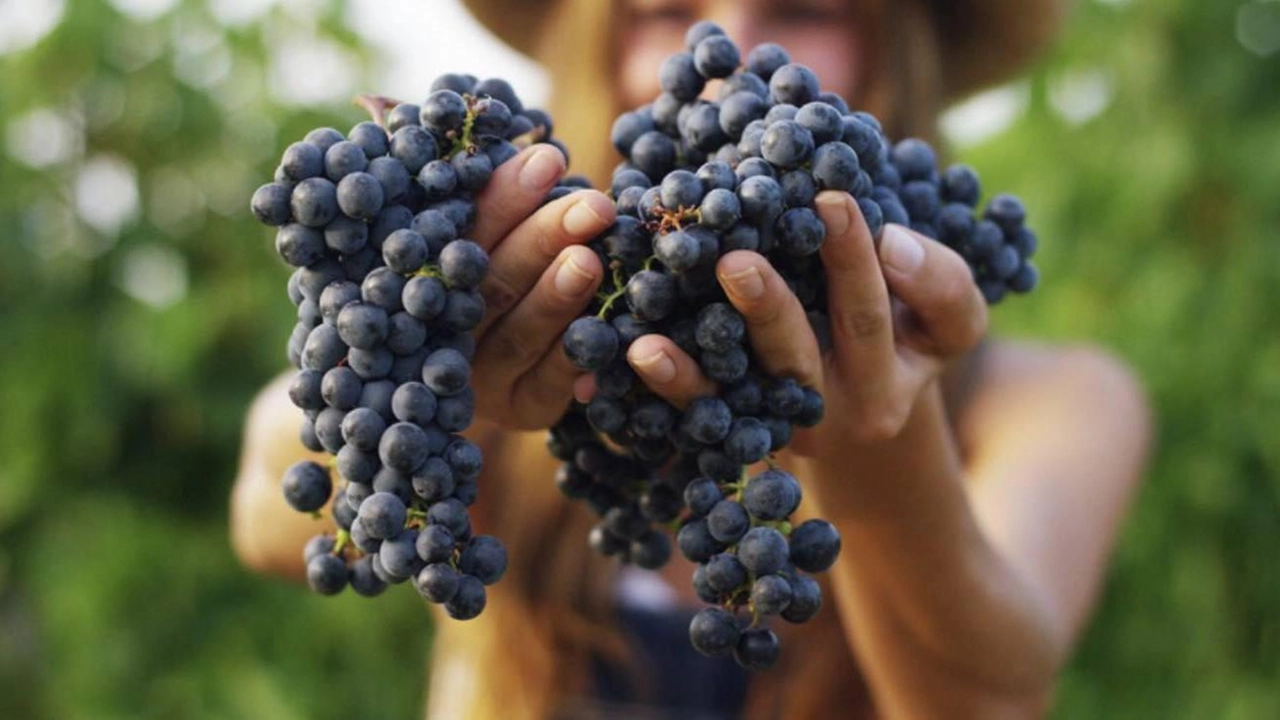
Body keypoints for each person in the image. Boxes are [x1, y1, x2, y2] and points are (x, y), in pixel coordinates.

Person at [231, 0, 1152, 717]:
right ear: (595, 36)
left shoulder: (1055, 399)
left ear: (895, 44)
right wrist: (455, 381)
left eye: (805, 9)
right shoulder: (538, 319)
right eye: (662, 10)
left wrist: (876, 434)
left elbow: (985, 704)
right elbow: (270, 506)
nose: (728, 52)